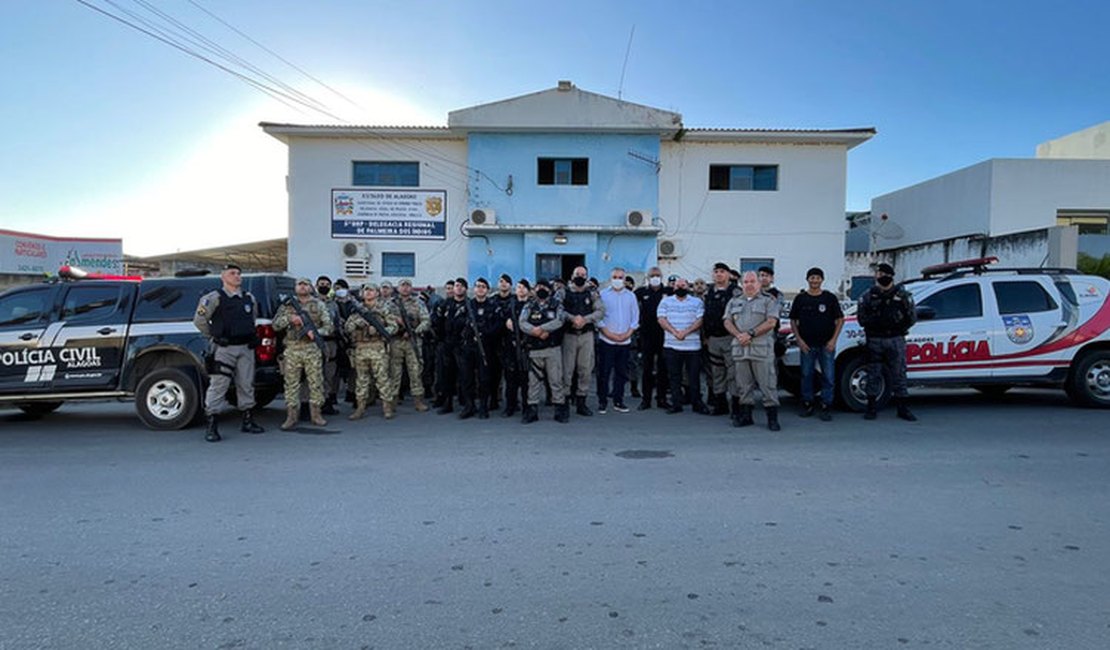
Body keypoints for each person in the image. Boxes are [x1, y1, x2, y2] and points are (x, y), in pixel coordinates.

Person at [193, 263, 264, 442]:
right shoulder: (214, 298)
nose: (237, 276)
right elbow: (200, 320)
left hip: (245, 348)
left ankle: (248, 420)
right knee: (219, 385)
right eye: (232, 273)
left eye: (239, 273)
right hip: (224, 349)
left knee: (246, 384)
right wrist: (215, 336)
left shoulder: (249, 298)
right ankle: (212, 424)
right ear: (223, 277)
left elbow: (252, 318)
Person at [858, 262, 918, 421]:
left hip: (895, 339)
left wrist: (897, 326)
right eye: (878, 274)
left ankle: (902, 408)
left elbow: (912, 318)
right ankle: (871, 408)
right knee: (873, 374)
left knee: (899, 374)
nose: (880, 277)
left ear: (890, 276)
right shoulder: (868, 296)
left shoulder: (903, 296)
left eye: (883, 274)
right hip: (875, 339)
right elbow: (861, 318)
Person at [723, 271, 782, 431]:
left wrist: (750, 334)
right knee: (743, 385)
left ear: (759, 283)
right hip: (740, 349)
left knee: (767, 384)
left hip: (761, 349)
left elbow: (771, 322)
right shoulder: (734, 301)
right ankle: (746, 416)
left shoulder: (768, 301)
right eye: (746, 281)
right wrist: (738, 335)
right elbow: (727, 322)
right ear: (742, 283)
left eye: (752, 281)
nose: (749, 284)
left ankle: (772, 418)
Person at [273, 277, 334, 430]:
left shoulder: (319, 305)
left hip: (312, 349)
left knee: (316, 382)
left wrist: (316, 332)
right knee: (291, 384)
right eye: (299, 284)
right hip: (292, 349)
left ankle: (316, 414)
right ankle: (291, 416)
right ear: (295, 287)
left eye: (305, 284)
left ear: (311, 287)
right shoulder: (287, 305)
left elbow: (329, 327)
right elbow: (275, 325)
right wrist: (290, 319)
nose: (302, 287)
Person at [788, 267, 844, 421]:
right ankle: (807, 403)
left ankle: (826, 405)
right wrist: (799, 340)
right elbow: (793, 320)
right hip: (807, 345)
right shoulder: (801, 299)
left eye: (817, 277)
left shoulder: (829, 298)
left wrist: (833, 340)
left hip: (826, 345)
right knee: (806, 375)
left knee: (829, 376)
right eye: (812, 277)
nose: (814, 280)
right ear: (807, 280)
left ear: (822, 280)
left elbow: (840, 319)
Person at [346, 283, 399, 420]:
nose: (368, 293)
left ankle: (387, 407)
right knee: (361, 380)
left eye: (371, 290)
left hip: (378, 347)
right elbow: (347, 327)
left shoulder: (384, 309)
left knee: (382, 379)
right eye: (366, 290)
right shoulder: (357, 310)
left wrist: (380, 331)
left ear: (377, 293)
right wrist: (357, 323)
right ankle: (360, 408)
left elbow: (394, 327)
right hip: (361, 348)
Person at [657, 277, 708, 414]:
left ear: (688, 287)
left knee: (694, 376)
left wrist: (686, 332)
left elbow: (700, 320)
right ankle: (676, 403)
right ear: (674, 288)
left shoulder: (697, 302)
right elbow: (661, 319)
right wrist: (674, 332)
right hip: (671, 345)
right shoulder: (665, 301)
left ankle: (697, 403)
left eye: (683, 285)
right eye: (678, 285)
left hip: (693, 346)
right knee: (674, 376)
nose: (680, 287)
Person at [519, 279, 567, 423]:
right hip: (534, 350)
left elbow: (560, 320)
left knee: (556, 380)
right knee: (533, 382)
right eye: (538, 286)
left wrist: (543, 328)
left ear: (549, 289)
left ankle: (560, 410)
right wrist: (535, 331)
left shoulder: (557, 305)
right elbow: (522, 322)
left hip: (552, 349)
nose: (541, 289)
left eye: (544, 287)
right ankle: (532, 411)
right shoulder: (529, 305)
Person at [561, 265, 605, 417]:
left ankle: (581, 403)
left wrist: (584, 319)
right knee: (567, 371)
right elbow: (558, 309)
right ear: (572, 275)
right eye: (577, 273)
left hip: (586, 335)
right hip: (569, 335)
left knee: (585, 370)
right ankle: (565, 403)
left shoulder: (592, 293)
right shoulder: (563, 292)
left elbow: (600, 311)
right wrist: (572, 318)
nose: (580, 276)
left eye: (583, 274)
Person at [596, 267, 639, 414]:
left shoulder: (631, 296)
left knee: (621, 373)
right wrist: (609, 334)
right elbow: (599, 318)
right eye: (615, 277)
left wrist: (628, 333)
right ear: (610, 278)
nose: (618, 280)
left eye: (620, 277)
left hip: (625, 341)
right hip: (606, 340)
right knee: (604, 372)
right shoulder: (602, 295)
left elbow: (635, 318)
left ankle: (618, 400)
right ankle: (602, 401)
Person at [390, 278, 431, 413]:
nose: (406, 288)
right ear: (398, 287)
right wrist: (397, 326)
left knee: (416, 371)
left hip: (413, 341)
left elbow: (426, 321)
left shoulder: (418, 303)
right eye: (403, 285)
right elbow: (384, 319)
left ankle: (418, 401)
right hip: (396, 341)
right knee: (394, 372)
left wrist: (414, 331)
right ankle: (392, 401)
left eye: (408, 285)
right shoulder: (390, 304)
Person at [703, 262, 737, 416]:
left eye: (722, 271)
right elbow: (705, 316)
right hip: (713, 339)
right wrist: (706, 336)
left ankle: (736, 406)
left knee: (733, 373)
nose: (718, 274)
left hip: (730, 337)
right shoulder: (709, 292)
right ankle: (720, 404)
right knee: (717, 373)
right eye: (716, 271)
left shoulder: (735, 292)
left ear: (728, 274)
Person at [634, 267, 670, 410]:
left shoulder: (668, 292)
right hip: (646, 336)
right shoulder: (641, 292)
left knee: (663, 368)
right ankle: (646, 400)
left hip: (665, 335)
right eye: (652, 275)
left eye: (657, 275)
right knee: (647, 369)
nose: (655, 277)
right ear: (648, 277)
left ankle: (661, 399)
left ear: (662, 277)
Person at [499, 279, 531, 418]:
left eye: (524, 287)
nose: (521, 289)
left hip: (526, 346)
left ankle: (526, 407)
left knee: (526, 380)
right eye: (519, 287)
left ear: (528, 290)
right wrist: (505, 321)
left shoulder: (532, 305)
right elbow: (499, 320)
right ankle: (510, 406)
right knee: (510, 379)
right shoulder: (509, 305)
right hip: (511, 346)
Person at [488, 274, 515, 412]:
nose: (503, 284)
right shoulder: (492, 300)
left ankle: (512, 403)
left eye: (507, 282)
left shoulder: (514, 300)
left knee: (511, 375)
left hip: (511, 342)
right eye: (501, 281)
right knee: (493, 373)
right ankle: (494, 399)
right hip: (494, 341)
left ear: (511, 285)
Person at [315, 275, 341, 415]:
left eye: (326, 284)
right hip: (316, 342)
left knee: (329, 373)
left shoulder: (333, 304)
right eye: (321, 283)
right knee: (315, 374)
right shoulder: (312, 303)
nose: (324, 286)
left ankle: (326, 402)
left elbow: (337, 323)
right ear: (316, 285)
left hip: (331, 343)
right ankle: (314, 405)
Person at [431, 279, 457, 413]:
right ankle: (442, 399)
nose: (450, 290)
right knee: (442, 375)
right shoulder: (440, 304)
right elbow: (434, 322)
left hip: (458, 344)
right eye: (447, 288)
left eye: (452, 288)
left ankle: (463, 399)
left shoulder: (464, 304)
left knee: (462, 375)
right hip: (443, 343)